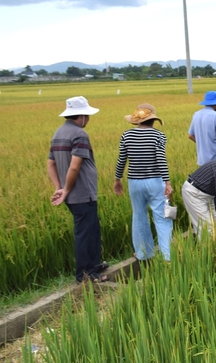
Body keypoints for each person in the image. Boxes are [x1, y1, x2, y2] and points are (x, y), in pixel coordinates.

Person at [47, 96, 107, 283]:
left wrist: (59, 187)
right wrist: (65, 190)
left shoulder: (58, 133)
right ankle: (85, 275)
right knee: (85, 232)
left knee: (92, 229)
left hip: (73, 193)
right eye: (87, 115)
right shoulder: (79, 134)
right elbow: (75, 166)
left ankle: (94, 265)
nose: (88, 119)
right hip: (82, 193)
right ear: (80, 116)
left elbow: (50, 164)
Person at [114, 103, 173, 262]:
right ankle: (167, 256)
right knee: (162, 217)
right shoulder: (158, 136)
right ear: (153, 120)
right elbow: (161, 160)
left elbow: (122, 160)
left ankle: (143, 254)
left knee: (139, 216)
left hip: (134, 182)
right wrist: (167, 182)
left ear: (137, 121)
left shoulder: (126, 135)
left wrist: (117, 179)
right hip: (155, 181)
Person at [188, 91, 216, 166]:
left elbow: (190, 135)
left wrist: (203, 142)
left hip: (201, 160)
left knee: (205, 177)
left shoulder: (196, 114)